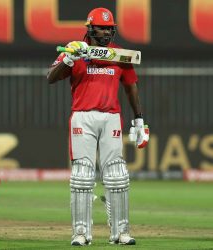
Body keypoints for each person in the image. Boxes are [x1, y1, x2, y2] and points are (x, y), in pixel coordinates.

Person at [47, 8, 149, 246]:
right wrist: (69, 60)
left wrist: (139, 120)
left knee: (117, 175)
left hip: (111, 117)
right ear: (90, 28)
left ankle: (121, 232)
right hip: (82, 116)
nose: (105, 31)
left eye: (108, 28)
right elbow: (51, 77)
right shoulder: (75, 48)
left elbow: (131, 87)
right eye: (101, 27)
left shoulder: (120, 55)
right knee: (82, 176)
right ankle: (81, 233)